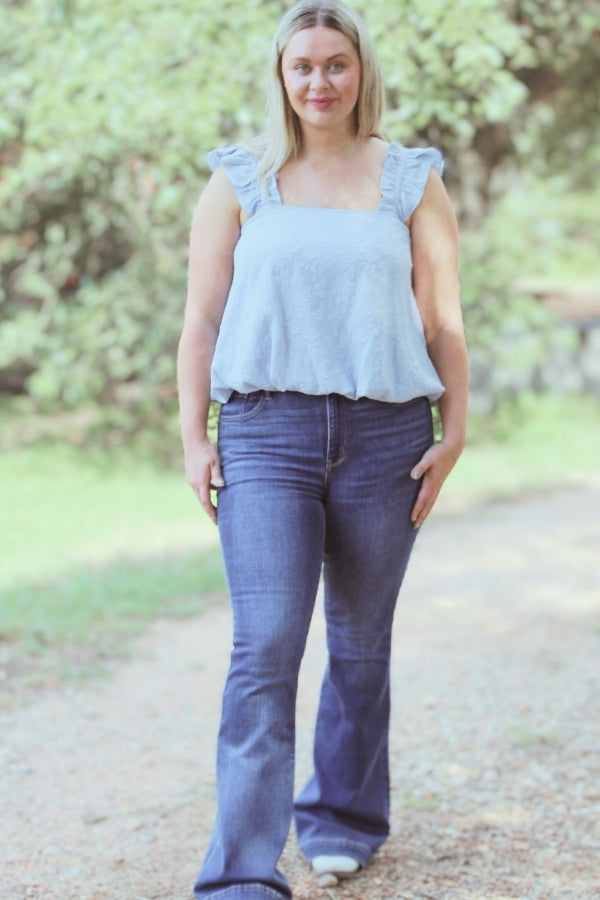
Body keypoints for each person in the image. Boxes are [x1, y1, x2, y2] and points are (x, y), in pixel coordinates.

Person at [177, 1, 468, 897]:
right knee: (265, 646)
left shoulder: (411, 178)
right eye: (301, 65)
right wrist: (193, 437)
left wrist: (455, 431)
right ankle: (242, 873)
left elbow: (444, 318)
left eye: (335, 63)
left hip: (385, 435)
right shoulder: (241, 178)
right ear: (280, 75)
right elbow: (200, 319)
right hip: (266, 433)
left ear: (361, 70)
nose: (318, 81)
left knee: (359, 640)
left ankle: (342, 818)